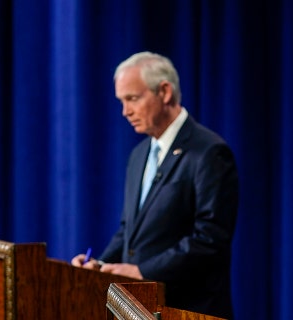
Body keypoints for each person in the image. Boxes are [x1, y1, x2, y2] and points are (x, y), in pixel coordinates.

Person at [72, 52, 239, 319]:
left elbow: (210, 240)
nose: (125, 111)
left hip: (189, 310)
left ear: (164, 92)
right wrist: (98, 266)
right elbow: (129, 233)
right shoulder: (139, 155)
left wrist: (143, 272)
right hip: (140, 309)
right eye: (122, 101)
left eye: (133, 99)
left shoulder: (209, 152)